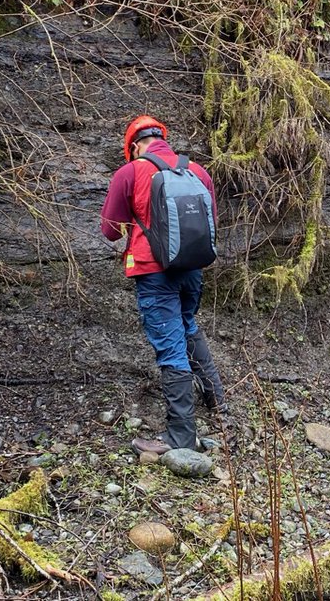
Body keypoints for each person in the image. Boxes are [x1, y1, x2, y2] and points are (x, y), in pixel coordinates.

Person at [100, 115, 225, 456]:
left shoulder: (131, 172)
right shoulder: (196, 171)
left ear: (133, 146)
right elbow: (211, 220)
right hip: (192, 267)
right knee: (188, 326)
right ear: (163, 140)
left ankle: (180, 437)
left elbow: (110, 230)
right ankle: (218, 404)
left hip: (153, 271)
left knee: (170, 346)